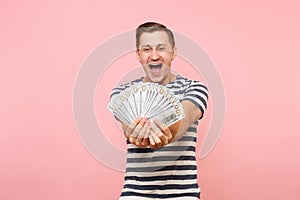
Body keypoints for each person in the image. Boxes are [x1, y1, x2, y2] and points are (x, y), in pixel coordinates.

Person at [110, 22, 209, 200]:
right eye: (147, 49)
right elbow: (127, 126)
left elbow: (185, 119)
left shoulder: (194, 88)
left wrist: (168, 133)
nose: (154, 56)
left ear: (173, 53)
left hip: (183, 194)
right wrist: (135, 134)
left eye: (161, 49)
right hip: (135, 194)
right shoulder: (122, 93)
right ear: (138, 55)